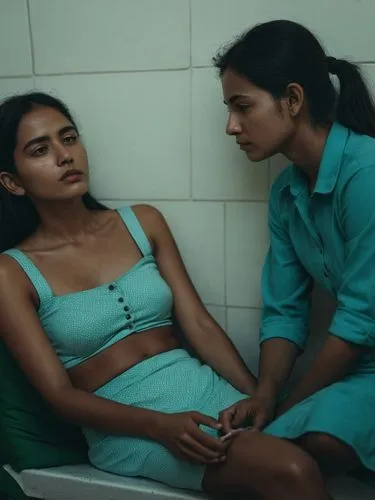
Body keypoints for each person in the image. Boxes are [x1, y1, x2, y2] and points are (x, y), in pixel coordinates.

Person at [0, 91, 331, 500]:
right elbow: (60, 396)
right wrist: (160, 424)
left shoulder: (143, 221)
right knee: (293, 471)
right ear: (12, 182)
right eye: (40, 150)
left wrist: (255, 398)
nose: (64, 155)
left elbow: (199, 326)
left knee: (322, 447)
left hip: (206, 391)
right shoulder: (11, 272)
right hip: (129, 429)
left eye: (69, 138)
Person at [215, 18, 375, 483]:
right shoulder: (286, 193)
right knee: (297, 442)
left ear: (293, 100)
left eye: (242, 106)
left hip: (360, 351)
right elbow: (285, 310)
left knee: (311, 437)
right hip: (365, 365)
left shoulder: (365, 172)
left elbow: (360, 317)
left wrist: (287, 410)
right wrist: (265, 396)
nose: (231, 126)